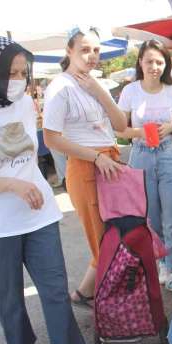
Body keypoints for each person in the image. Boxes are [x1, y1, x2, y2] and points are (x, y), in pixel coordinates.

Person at [0, 36, 115, 344]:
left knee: (54, 290)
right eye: (10, 73)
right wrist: (11, 185)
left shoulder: (21, 104)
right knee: (7, 295)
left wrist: (29, 183)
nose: (18, 80)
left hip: (38, 215)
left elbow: (27, 155)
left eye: (23, 72)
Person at [43, 28, 127, 309]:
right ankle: (109, 308)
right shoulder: (60, 87)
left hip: (109, 163)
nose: (92, 56)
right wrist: (95, 157)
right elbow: (51, 138)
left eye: (96, 50)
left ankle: (85, 295)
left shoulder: (91, 83)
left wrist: (99, 90)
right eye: (85, 49)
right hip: (87, 166)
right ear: (69, 51)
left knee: (114, 236)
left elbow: (121, 125)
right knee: (104, 243)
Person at [115, 40, 172, 297]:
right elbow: (118, 128)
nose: (155, 66)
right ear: (140, 63)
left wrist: (171, 128)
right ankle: (159, 265)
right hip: (141, 155)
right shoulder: (130, 91)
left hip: (168, 154)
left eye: (160, 61)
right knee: (150, 219)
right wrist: (140, 132)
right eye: (149, 61)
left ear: (166, 63)